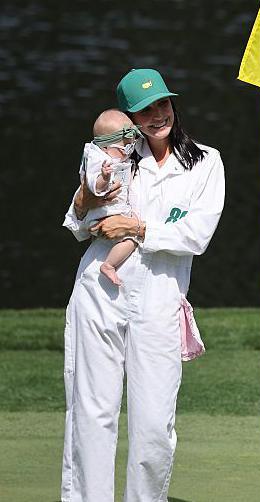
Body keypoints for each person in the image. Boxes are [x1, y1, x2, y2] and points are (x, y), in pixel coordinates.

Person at [60, 68, 225, 501]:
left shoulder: (206, 162)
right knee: (93, 415)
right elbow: (77, 223)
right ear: (130, 117)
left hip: (160, 300)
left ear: (173, 104)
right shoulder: (115, 153)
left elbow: (196, 235)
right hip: (99, 293)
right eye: (144, 109)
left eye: (162, 104)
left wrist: (137, 227)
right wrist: (88, 199)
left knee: (154, 426)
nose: (157, 116)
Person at [77, 109, 142, 286]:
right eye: (127, 146)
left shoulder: (118, 157)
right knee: (132, 238)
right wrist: (104, 178)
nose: (131, 149)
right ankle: (109, 265)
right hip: (102, 218)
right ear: (106, 148)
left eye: (133, 143)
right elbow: (93, 187)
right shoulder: (99, 161)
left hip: (113, 214)